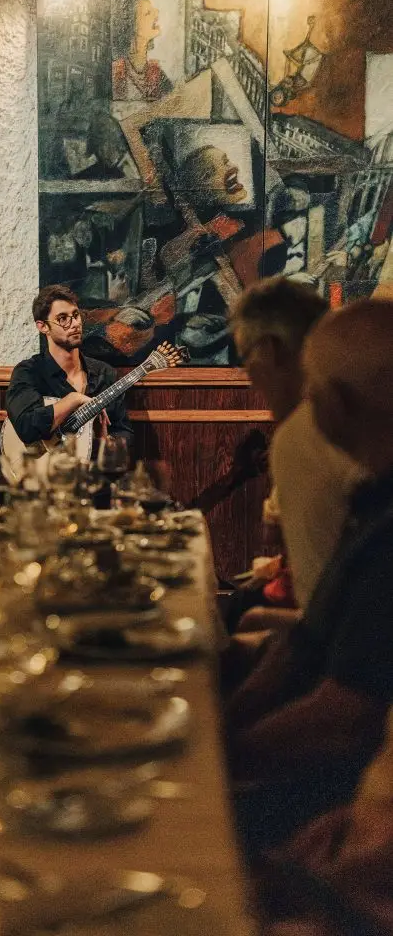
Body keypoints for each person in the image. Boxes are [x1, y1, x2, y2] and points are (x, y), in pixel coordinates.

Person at [227, 298, 393, 857]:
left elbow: (345, 721)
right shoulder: (375, 499)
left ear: (338, 404)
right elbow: (305, 643)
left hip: (347, 789)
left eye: (313, 388)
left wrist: (216, 759)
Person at [230, 276, 363, 613]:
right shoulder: (360, 409)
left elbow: (321, 619)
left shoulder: (305, 432)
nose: (249, 377)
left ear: (270, 350)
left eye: (246, 357)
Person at [5, 284, 133, 449]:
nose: (74, 324)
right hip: (47, 471)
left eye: (76, 315)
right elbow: (26, 426)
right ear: (43, 326)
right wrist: (74, 399)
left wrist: (109, 444)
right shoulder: (29, 372)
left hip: (93, 470)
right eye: (63, 319)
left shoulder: (104, 373)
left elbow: (124, 431)